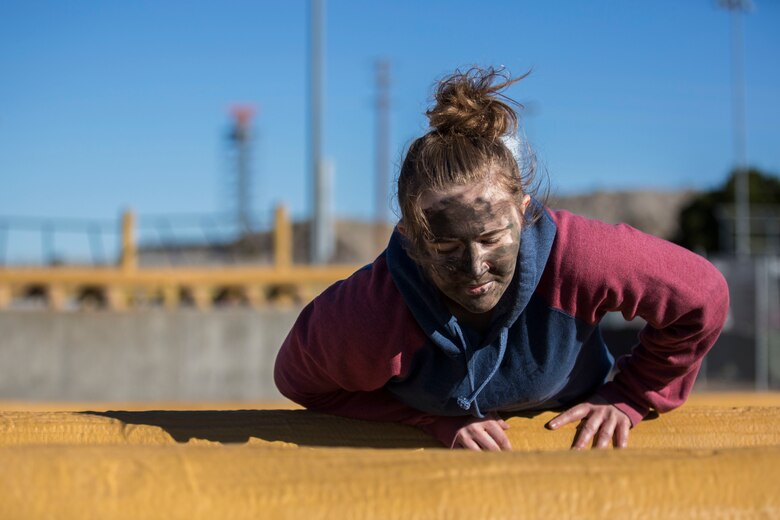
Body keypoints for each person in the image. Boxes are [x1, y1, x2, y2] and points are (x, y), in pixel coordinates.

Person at [273, 67, 729, 451]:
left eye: (491, 239)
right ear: (408, 235)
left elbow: (702, 297)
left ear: (524, 211)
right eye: (445, 248)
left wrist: (630, 394)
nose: (474, 269)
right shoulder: (372, 313)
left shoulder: (578, 258)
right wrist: (425, 419)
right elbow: (298, 380)